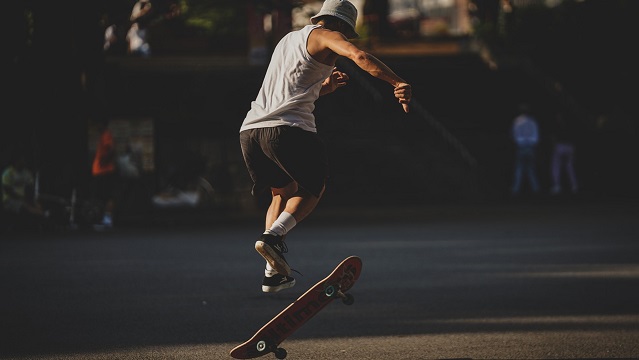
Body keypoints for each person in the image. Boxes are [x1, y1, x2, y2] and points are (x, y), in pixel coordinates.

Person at [239, 0, 412, 293]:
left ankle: (273, 273)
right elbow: (360, 56)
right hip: (288, 130)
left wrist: (325, 88)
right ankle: (272, 238)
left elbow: (290, 88)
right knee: (313, 188)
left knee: (281, 194)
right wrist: (397, 82)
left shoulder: (288, 40)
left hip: (251, 130)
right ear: (341, 25)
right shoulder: (328, 35)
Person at [2, 151, 48, 221]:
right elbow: (8, 191)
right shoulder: (8, 173)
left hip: (26, 199)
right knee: (25, 207)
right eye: (22, 159)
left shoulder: (27, 173)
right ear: (16, 161)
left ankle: (44, 216)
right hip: (10, 200)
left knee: (38, 205)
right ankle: (44, 214)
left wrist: (33, 200)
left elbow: (31, 188)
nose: (24, 161)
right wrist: (22, 199)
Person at [91, 118, 117, 228]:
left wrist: (103, 161)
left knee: (107, 196)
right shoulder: (103, 135)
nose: (97, 126)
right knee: (102, 197)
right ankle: (103, 219)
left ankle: (107, 220)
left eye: (98, 124)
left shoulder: (106, 134)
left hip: (105, 171)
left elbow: (112, 149)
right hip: (100, 171)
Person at [510, 103, 540, 196]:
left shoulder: (517, 121)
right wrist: (530, 142)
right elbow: (536, 136)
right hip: (530, 146)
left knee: (519, 168)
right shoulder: (532, 121)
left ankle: (516, 189)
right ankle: (535, 189)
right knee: (530, 169)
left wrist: (521, 141)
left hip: (521, 146)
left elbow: (515, 136)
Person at [549, 112, 578, 195]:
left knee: (556, 167)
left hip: (560, 146)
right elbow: (574, 137)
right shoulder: (571, 125)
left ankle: (557, 186)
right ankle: (574, 185)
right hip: (570, 146)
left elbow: (553, 138)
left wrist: (553, 147)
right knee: (570, 167)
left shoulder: (556, 125)